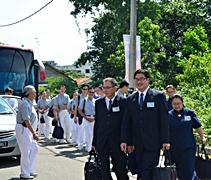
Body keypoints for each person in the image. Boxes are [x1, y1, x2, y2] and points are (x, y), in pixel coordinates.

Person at [120, 69, 170, 180]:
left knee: (147, 168)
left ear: (148, 80)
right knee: (140, 169)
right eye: (136, 79)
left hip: (153, 141)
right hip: (137, 143)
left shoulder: (158, 96)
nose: (139, 82)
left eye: (142, 79)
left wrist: (165, 140)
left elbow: (164, 120)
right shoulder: (130, 99)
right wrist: (125, 140)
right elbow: (126, 122)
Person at [92, 78, 129, 180]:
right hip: (102, 141)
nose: (105, 90)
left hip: (118, 142)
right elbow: (97, 123)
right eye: (104, 88)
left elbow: (126, 124)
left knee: (120, 170)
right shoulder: (99, 103)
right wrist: (94, 142)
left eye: (108, 88)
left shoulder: (124, 102)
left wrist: (127, 141)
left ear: (115, 88)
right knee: (104, 170)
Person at [168, 94, 206, 180]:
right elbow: (164, 131)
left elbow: (198, 126)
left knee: (188, 167)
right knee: (177, 170)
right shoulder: (169, 115)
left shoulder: (189, 113)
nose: (177, 106)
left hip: (188, 146)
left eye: (179, 103)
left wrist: (202, 137)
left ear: (182, 102)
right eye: (174, 104)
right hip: (174, 147)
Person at [15, 85, 39, 179]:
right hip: (23, 129)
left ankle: (30, 170)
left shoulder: (30, 103)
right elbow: (26, 120)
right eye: (35, 92)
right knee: (25, 151)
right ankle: (24, 173)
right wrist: (34, 133)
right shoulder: (25, 103)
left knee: (34, 148)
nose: (36, 94)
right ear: (30, 93)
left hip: (28, 129)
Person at [79, 87, 95, 152]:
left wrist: (94, 118)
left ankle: (92, 146)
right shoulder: (84, 100)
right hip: (86, 118)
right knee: (88, 133)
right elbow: (80, 110)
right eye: (90, 92)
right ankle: (88, 147)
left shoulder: (95, 101)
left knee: (93, 134)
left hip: (93, 119)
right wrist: (85, 118)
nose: (91, 93)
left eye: (92, 92)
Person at [74, 84, 89, 150]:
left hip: (88, 115)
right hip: (80, 115)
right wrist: (75, 116)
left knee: (88, 131)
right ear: (81, 90)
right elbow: (76, 107)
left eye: (86, 89)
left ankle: (88, 144)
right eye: (84, 89)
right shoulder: (79, 97)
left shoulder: (90, 96)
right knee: (80, 130)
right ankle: (80, 143)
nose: (85, 91)